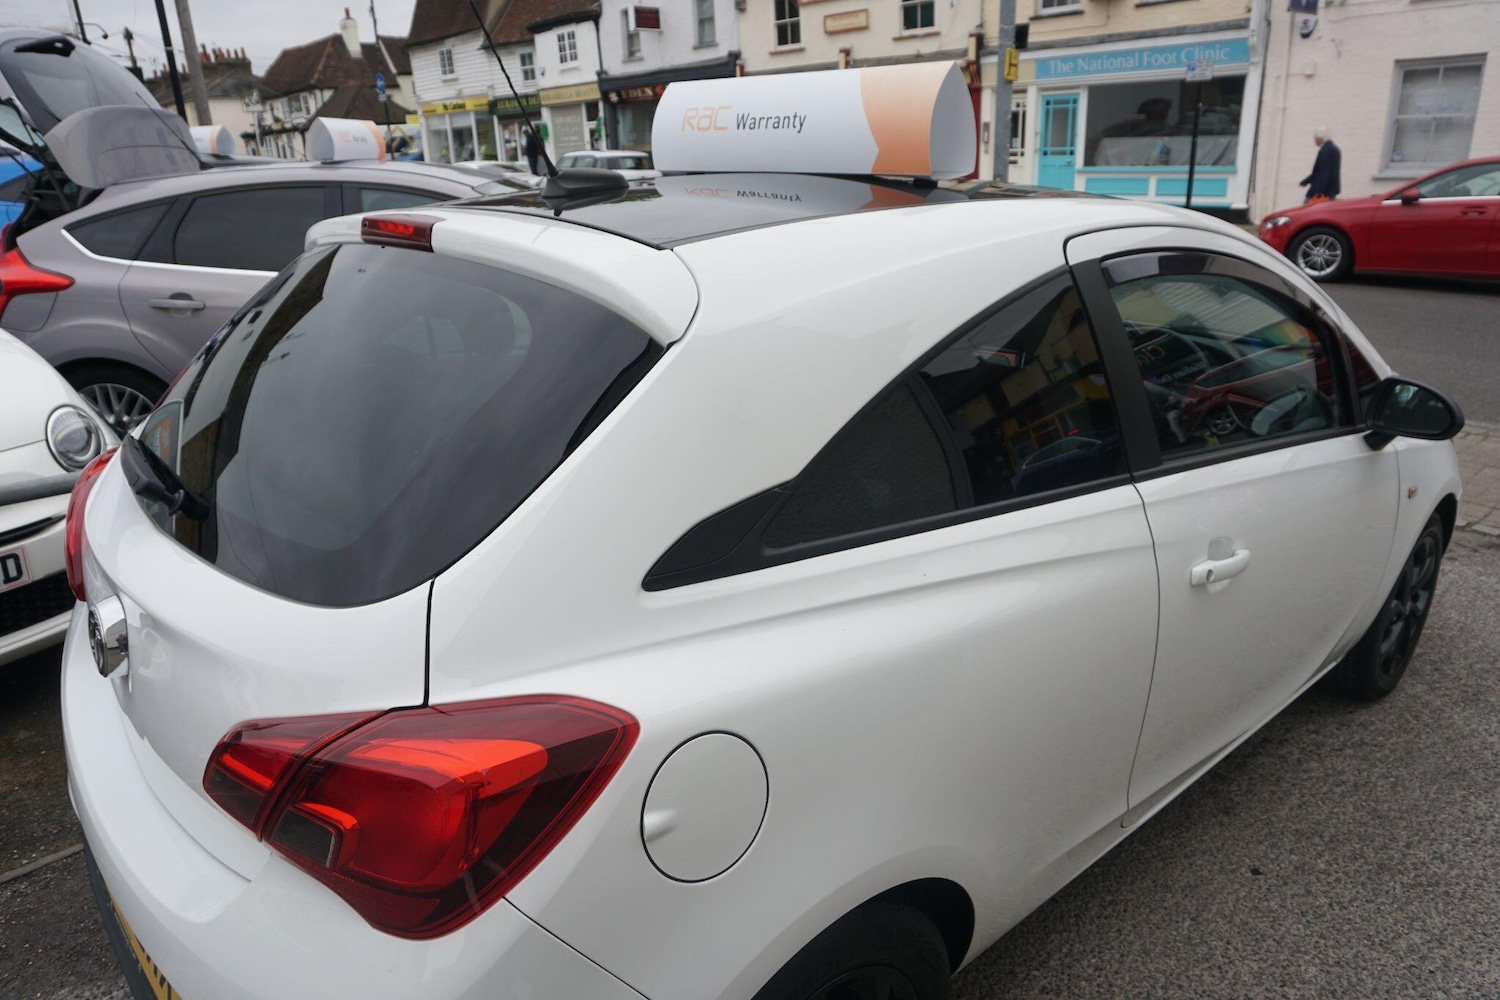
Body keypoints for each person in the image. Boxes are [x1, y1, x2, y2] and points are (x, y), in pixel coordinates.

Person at [1299, 127, 1341, 203]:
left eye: (1316, 138)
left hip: (1321, 191)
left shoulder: (1325, 151)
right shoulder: (1335, 149)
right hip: (1330, 191)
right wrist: (1306, 181)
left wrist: (1318, 192)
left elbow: (1323, 172)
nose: (1315, 140)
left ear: (1321, 138)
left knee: (1305, 212)